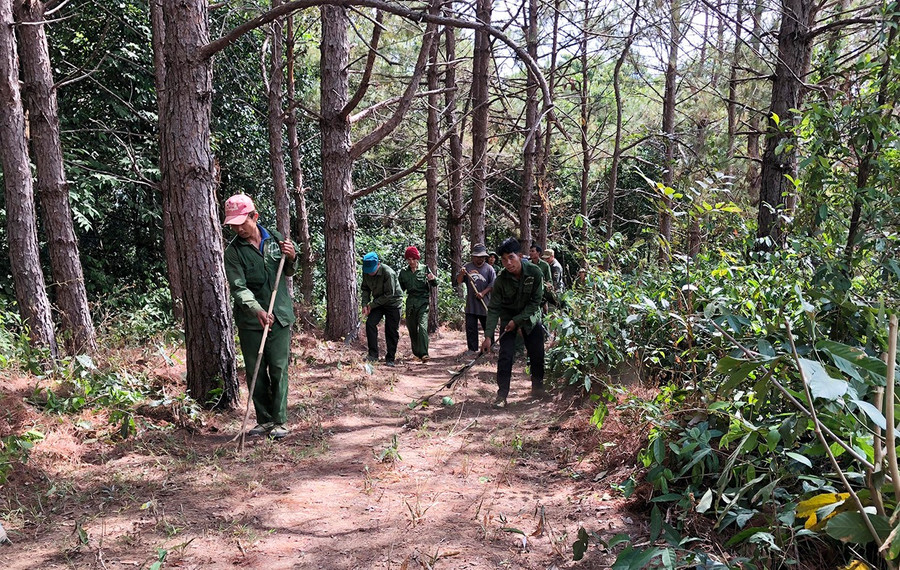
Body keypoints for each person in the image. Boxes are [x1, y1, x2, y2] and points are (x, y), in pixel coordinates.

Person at [223, 194, 297, 439]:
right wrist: (256, 310)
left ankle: (280, 421)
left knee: (278, 367)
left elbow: (287, 271)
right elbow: (238, 287)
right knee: (256, 370)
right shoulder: (233, 252)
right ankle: (264, 420)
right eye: (233, 224)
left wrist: (293, 257)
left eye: (241, 222)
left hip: (280, 315)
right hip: (251, 320)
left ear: (254, 217)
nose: (237, 228)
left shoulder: (276, 239)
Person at [481, 237, 546, 408]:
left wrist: (517, 321)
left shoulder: (535, 272)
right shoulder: (501, 280)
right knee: (505, 356)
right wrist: (488, 336)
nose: (508, 263)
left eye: (511, 258)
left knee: (537, 353)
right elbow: (494, 309)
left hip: (530, 318)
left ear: (520, 256)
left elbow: (535, 303)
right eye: (503, 260)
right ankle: (502, 395)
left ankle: (538, 388)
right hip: (508, 320)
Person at [361, 251, 402, 366]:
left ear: (378, 264)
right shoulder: (366, 273)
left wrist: (372, 305)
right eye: (369, 271)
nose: (370, 274)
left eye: (372, 271)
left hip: (393, 303)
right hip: (378, 302)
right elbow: (365, 289)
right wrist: (364, 304)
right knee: (370, 324)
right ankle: (373, 355)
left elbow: (389, 294)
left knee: (391, 330)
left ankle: (390, 358)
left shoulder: (388, 273)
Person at [398, 246, 437, 362]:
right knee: (412, 329)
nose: (411, 262)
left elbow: (435, 283)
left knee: (423, 328)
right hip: (410, 304)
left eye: (413, 259)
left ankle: (424, 353)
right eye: (409, 259)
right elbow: (400, 288)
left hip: (423, 303)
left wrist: (432, 279)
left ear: (417, 259)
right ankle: (416, 353)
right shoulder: (404, 272)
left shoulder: (425, 269)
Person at [456, 243, 495, 354]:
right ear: (473, 257)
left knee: (487, 326)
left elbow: (493, 284)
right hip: (471, 304)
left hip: (485, 303)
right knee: (471, 327)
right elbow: (459, 281)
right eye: (477, 257)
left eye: (482, 257)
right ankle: (472, 348)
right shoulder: (467, 267)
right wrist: (462, 274)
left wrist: (483, 293)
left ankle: (490, 346)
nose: (479, 259)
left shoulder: (489, 269)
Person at [529, 243, 555, 308]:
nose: (530, 253)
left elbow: (549, 280)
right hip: (529, 293)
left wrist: (548, 288)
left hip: (541, 293)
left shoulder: (545, 265)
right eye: (530, 251)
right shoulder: (527, 264)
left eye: (532, 251)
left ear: (538, 253)